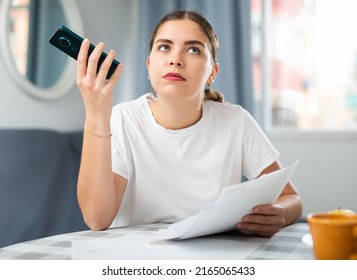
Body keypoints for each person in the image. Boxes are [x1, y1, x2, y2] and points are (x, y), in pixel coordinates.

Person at [76, 10, 302, 238]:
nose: (175, 59)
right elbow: (97, 218)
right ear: (149, 64)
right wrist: (96, 113)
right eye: (164, 47)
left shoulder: (236, 121)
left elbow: (292, 199)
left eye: (193, 49)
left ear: (212, 73)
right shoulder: (124, 119)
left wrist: (279, 213)